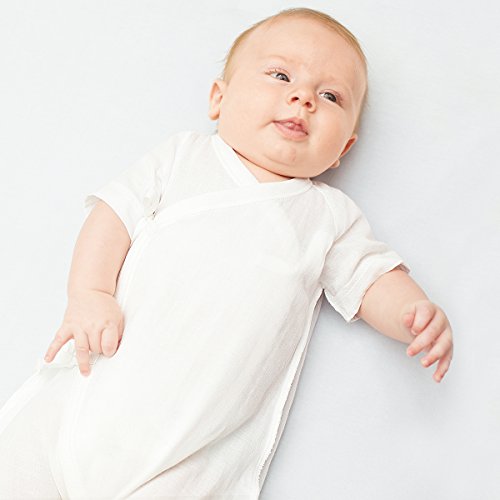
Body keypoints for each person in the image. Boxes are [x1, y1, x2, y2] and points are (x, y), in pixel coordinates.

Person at [0, 7, 453, 499]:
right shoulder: (184, 156)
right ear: (219, 98)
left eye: (330, 96)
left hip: (191, 453)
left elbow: (371, 277)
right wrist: (89, 292)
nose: (303, 98)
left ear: (344, 147)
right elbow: (114, 213)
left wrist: (412, 312)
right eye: (280, 75)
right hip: (91, 395)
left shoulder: (327, 216)